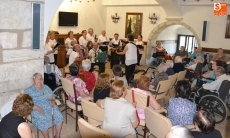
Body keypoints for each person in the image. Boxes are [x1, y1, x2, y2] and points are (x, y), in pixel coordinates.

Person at [24, 73, 63, 138]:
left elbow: (52, 96)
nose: (40, 80)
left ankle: (57, 136)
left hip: (49, 106)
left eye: (41, 79)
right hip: (36, 109)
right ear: (33, 80)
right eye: (38, 78)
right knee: (42, 120)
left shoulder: (46, 87)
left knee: (59, 116)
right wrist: (37, 108)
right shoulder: (28, 90)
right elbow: (27, 103)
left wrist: (53, 101)